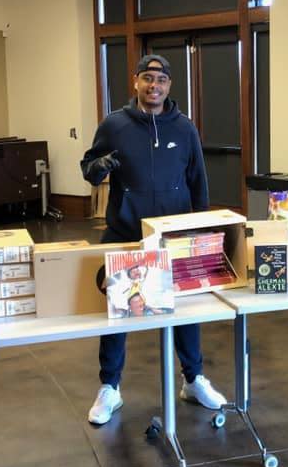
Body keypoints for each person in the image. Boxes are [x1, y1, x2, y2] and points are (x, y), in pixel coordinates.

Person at [81, 54, 226, 424]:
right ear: (135, 82)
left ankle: (193, 379)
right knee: (119, 311)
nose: (154, 85)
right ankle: (110, 388)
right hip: (126, 232)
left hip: (173, 236)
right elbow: (89, 169)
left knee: (185, 311)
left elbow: (197, 181)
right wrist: (99, 168)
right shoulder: (115, 124)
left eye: (161, 79)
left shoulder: (184, 128)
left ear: (169, 86)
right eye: (147, 78)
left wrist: (201, 228)